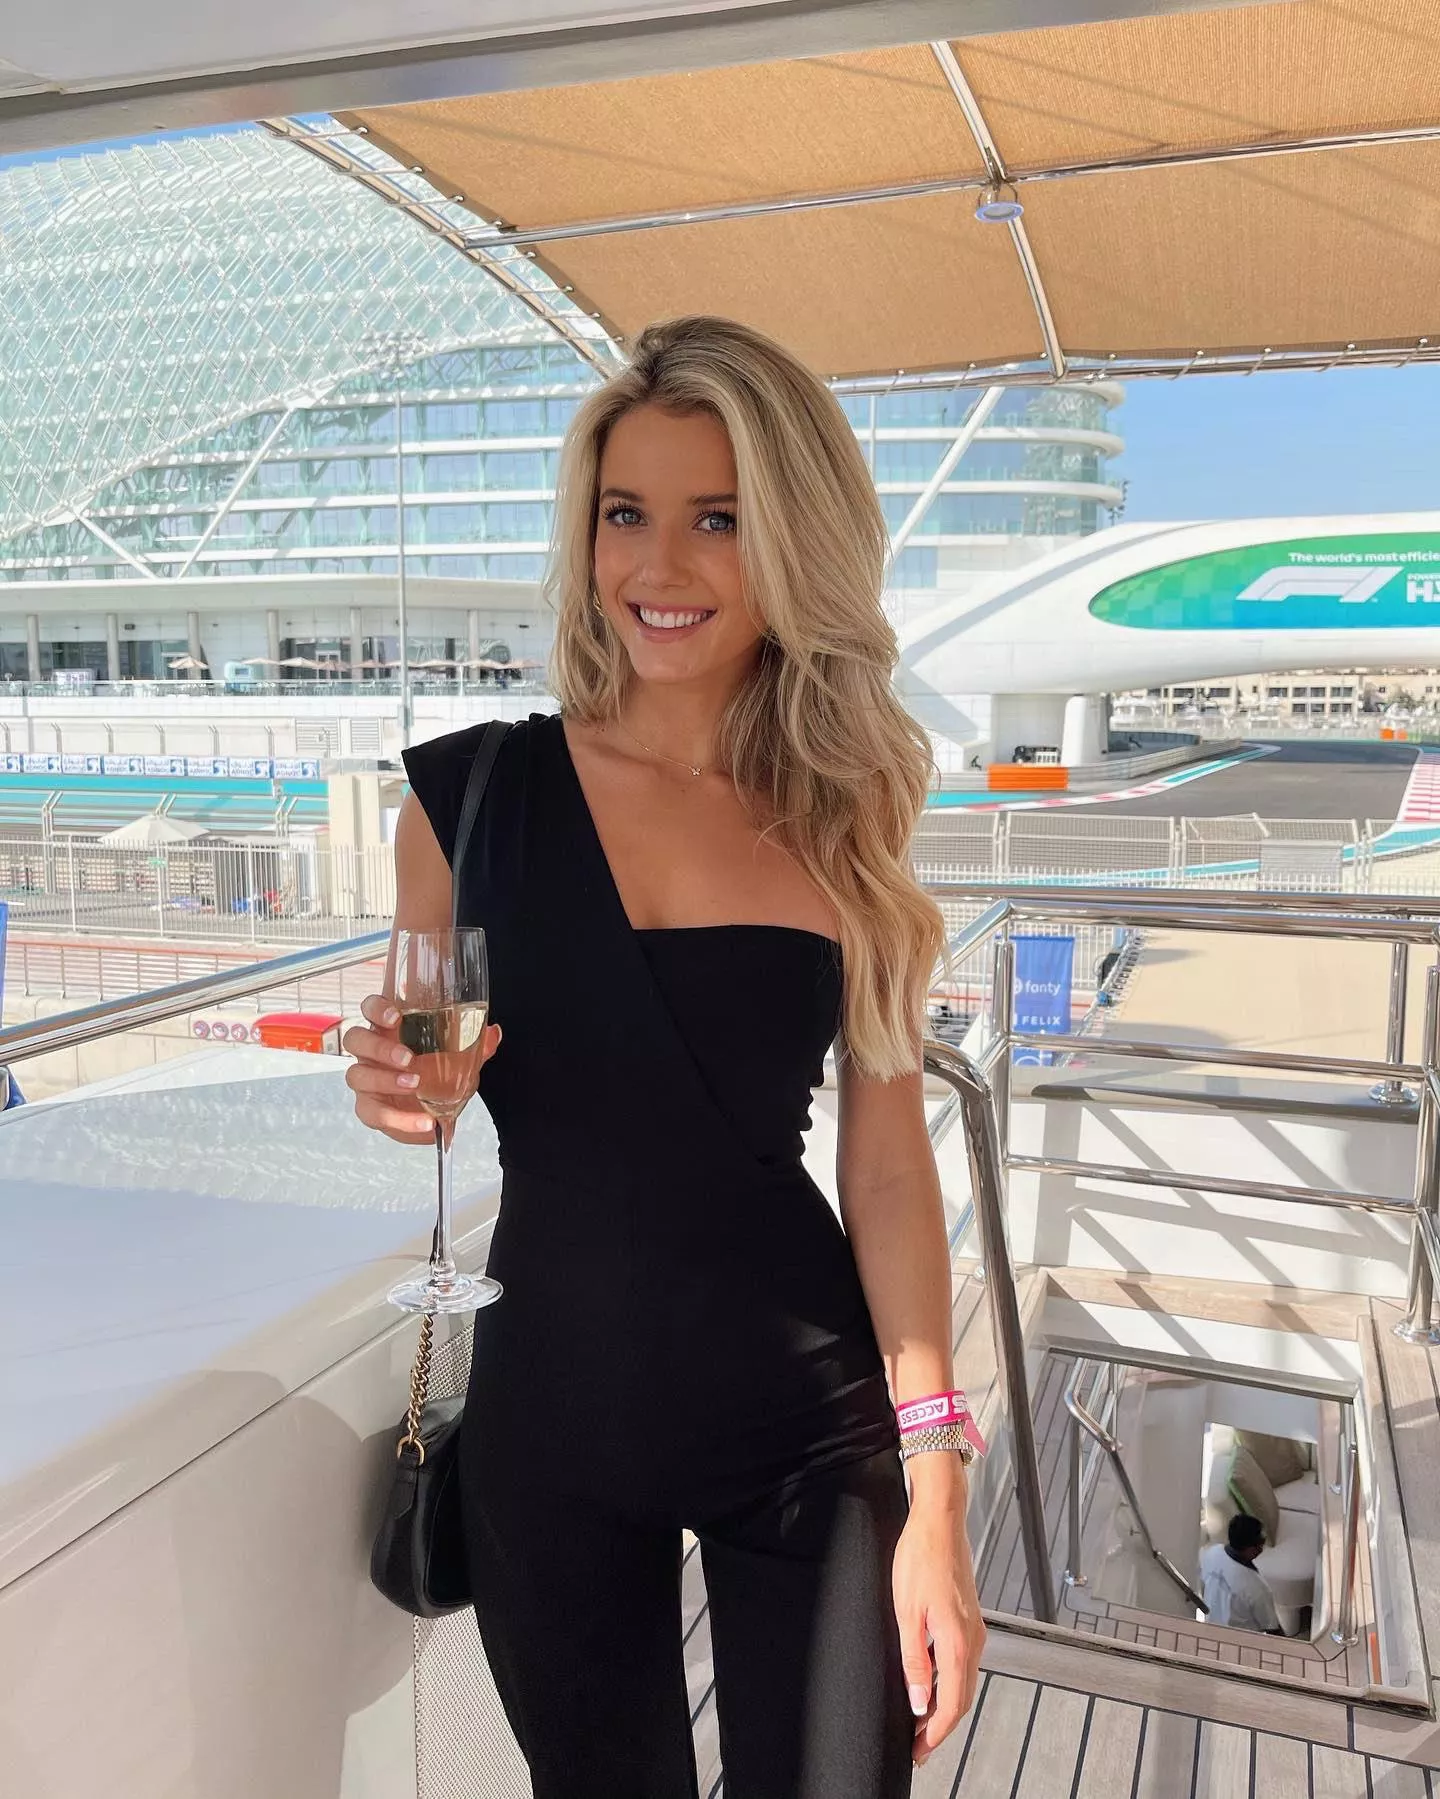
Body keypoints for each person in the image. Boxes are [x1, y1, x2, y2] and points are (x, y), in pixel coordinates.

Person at [344, 315, 986, 1797]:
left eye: (719, 519)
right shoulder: (469, 798)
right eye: (626, 512)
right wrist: (404, 1088)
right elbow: (430, 1064)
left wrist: (939, 1480)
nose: (660, 564)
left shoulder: (844, 810)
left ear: (796, 539)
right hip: (553, 1425)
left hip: (811, 1432)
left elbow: (889, 1170)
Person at [1200, 1513, 1286, 1635]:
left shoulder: (1210, 1553)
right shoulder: (1257, 1588)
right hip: (1239, 1639)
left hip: (1209, 1630)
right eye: (1261, 1542)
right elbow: (1272, 1629)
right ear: (1251, 1549)